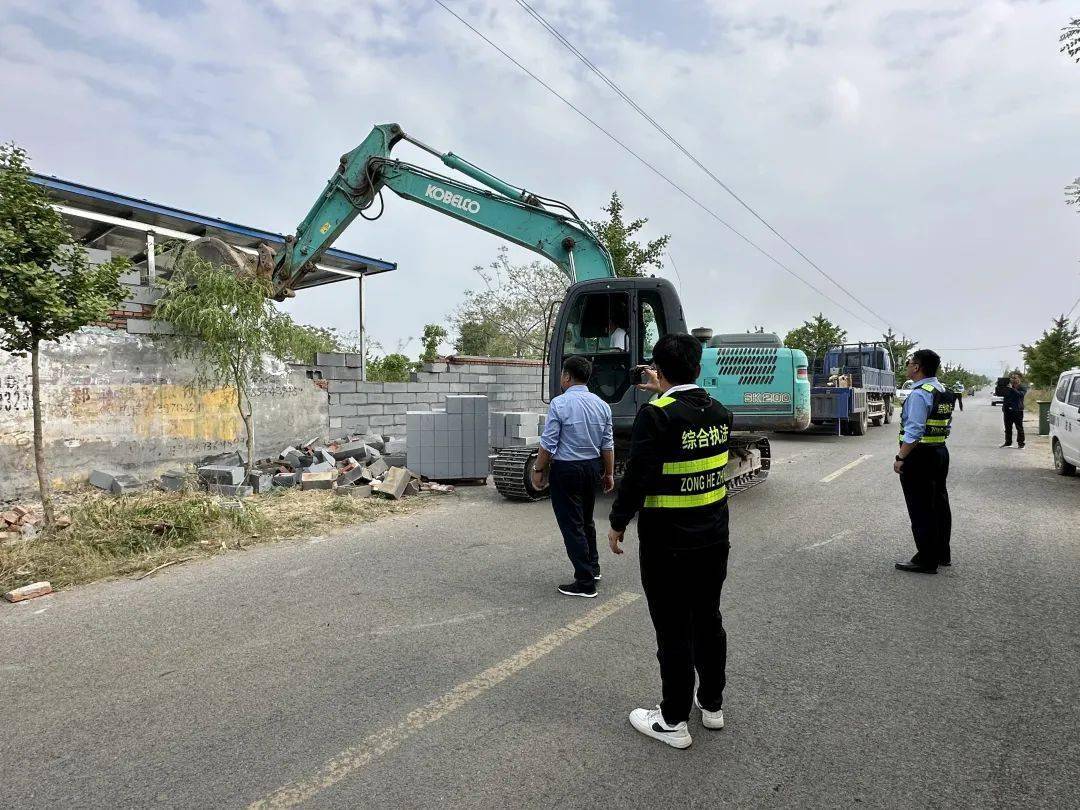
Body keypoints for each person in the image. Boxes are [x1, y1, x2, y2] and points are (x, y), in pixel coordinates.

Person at [607, 333, 733, 749]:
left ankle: (673, 719)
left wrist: (618, 521)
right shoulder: (719, 412)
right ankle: (711, 704)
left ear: (657, 370)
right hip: (713, 538)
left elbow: (638, 476)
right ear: (698, 368)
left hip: (669, 544)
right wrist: (663, 387)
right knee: (708, 620)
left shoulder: (656, 416)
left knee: (673, 628)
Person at [532, 355, 615, 598]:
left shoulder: (560, 404)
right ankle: (593, 568)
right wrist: (608, 473)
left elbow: (548, 443)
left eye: (561, 375)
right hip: (591, 468)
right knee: (586, 521)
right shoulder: (602, 404)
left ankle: (585, 582)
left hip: (566, 470)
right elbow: (607, 444)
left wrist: (538, 470)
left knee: (572, 526)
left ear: (567, 376)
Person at [894, 349, 956, 575]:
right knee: (939, 505)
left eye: (910, 363)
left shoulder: (920, 394)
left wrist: (901, 457)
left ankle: (926, 559)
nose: (908, 366)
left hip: (920, 456)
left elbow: (914, 430)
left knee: (921, 509)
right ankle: (941, 553)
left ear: (917, 367)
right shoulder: (942, 390)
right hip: (940, 452)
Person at [1000, 373, 1027, 448]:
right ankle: (1008, 442)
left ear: (1019, 379)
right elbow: (1001, 394)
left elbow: (1020, 395)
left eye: (1015, 378)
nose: (1013, 379)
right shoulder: (1008, 386)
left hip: (1017, 410)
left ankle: (1021, 444)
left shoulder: (1022, 387)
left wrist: (1012, 388)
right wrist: (1000, 387)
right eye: (1012, 378)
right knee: (1007, 427)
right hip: (1007, 410)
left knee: (1019, 428)